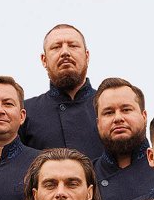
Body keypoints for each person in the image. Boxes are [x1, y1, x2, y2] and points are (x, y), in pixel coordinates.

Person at [19, 24, 103, 159]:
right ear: (44, 60)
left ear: (87, 56)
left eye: (73, 46)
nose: (65, 52)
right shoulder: (24, 113)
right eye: (56, 47)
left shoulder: (112, 108)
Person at [92, 77, 154, 200]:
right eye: (109, 112)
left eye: (126, 110)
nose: (118, 118)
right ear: (98, 123)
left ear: (144, 116)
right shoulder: (87, 177)